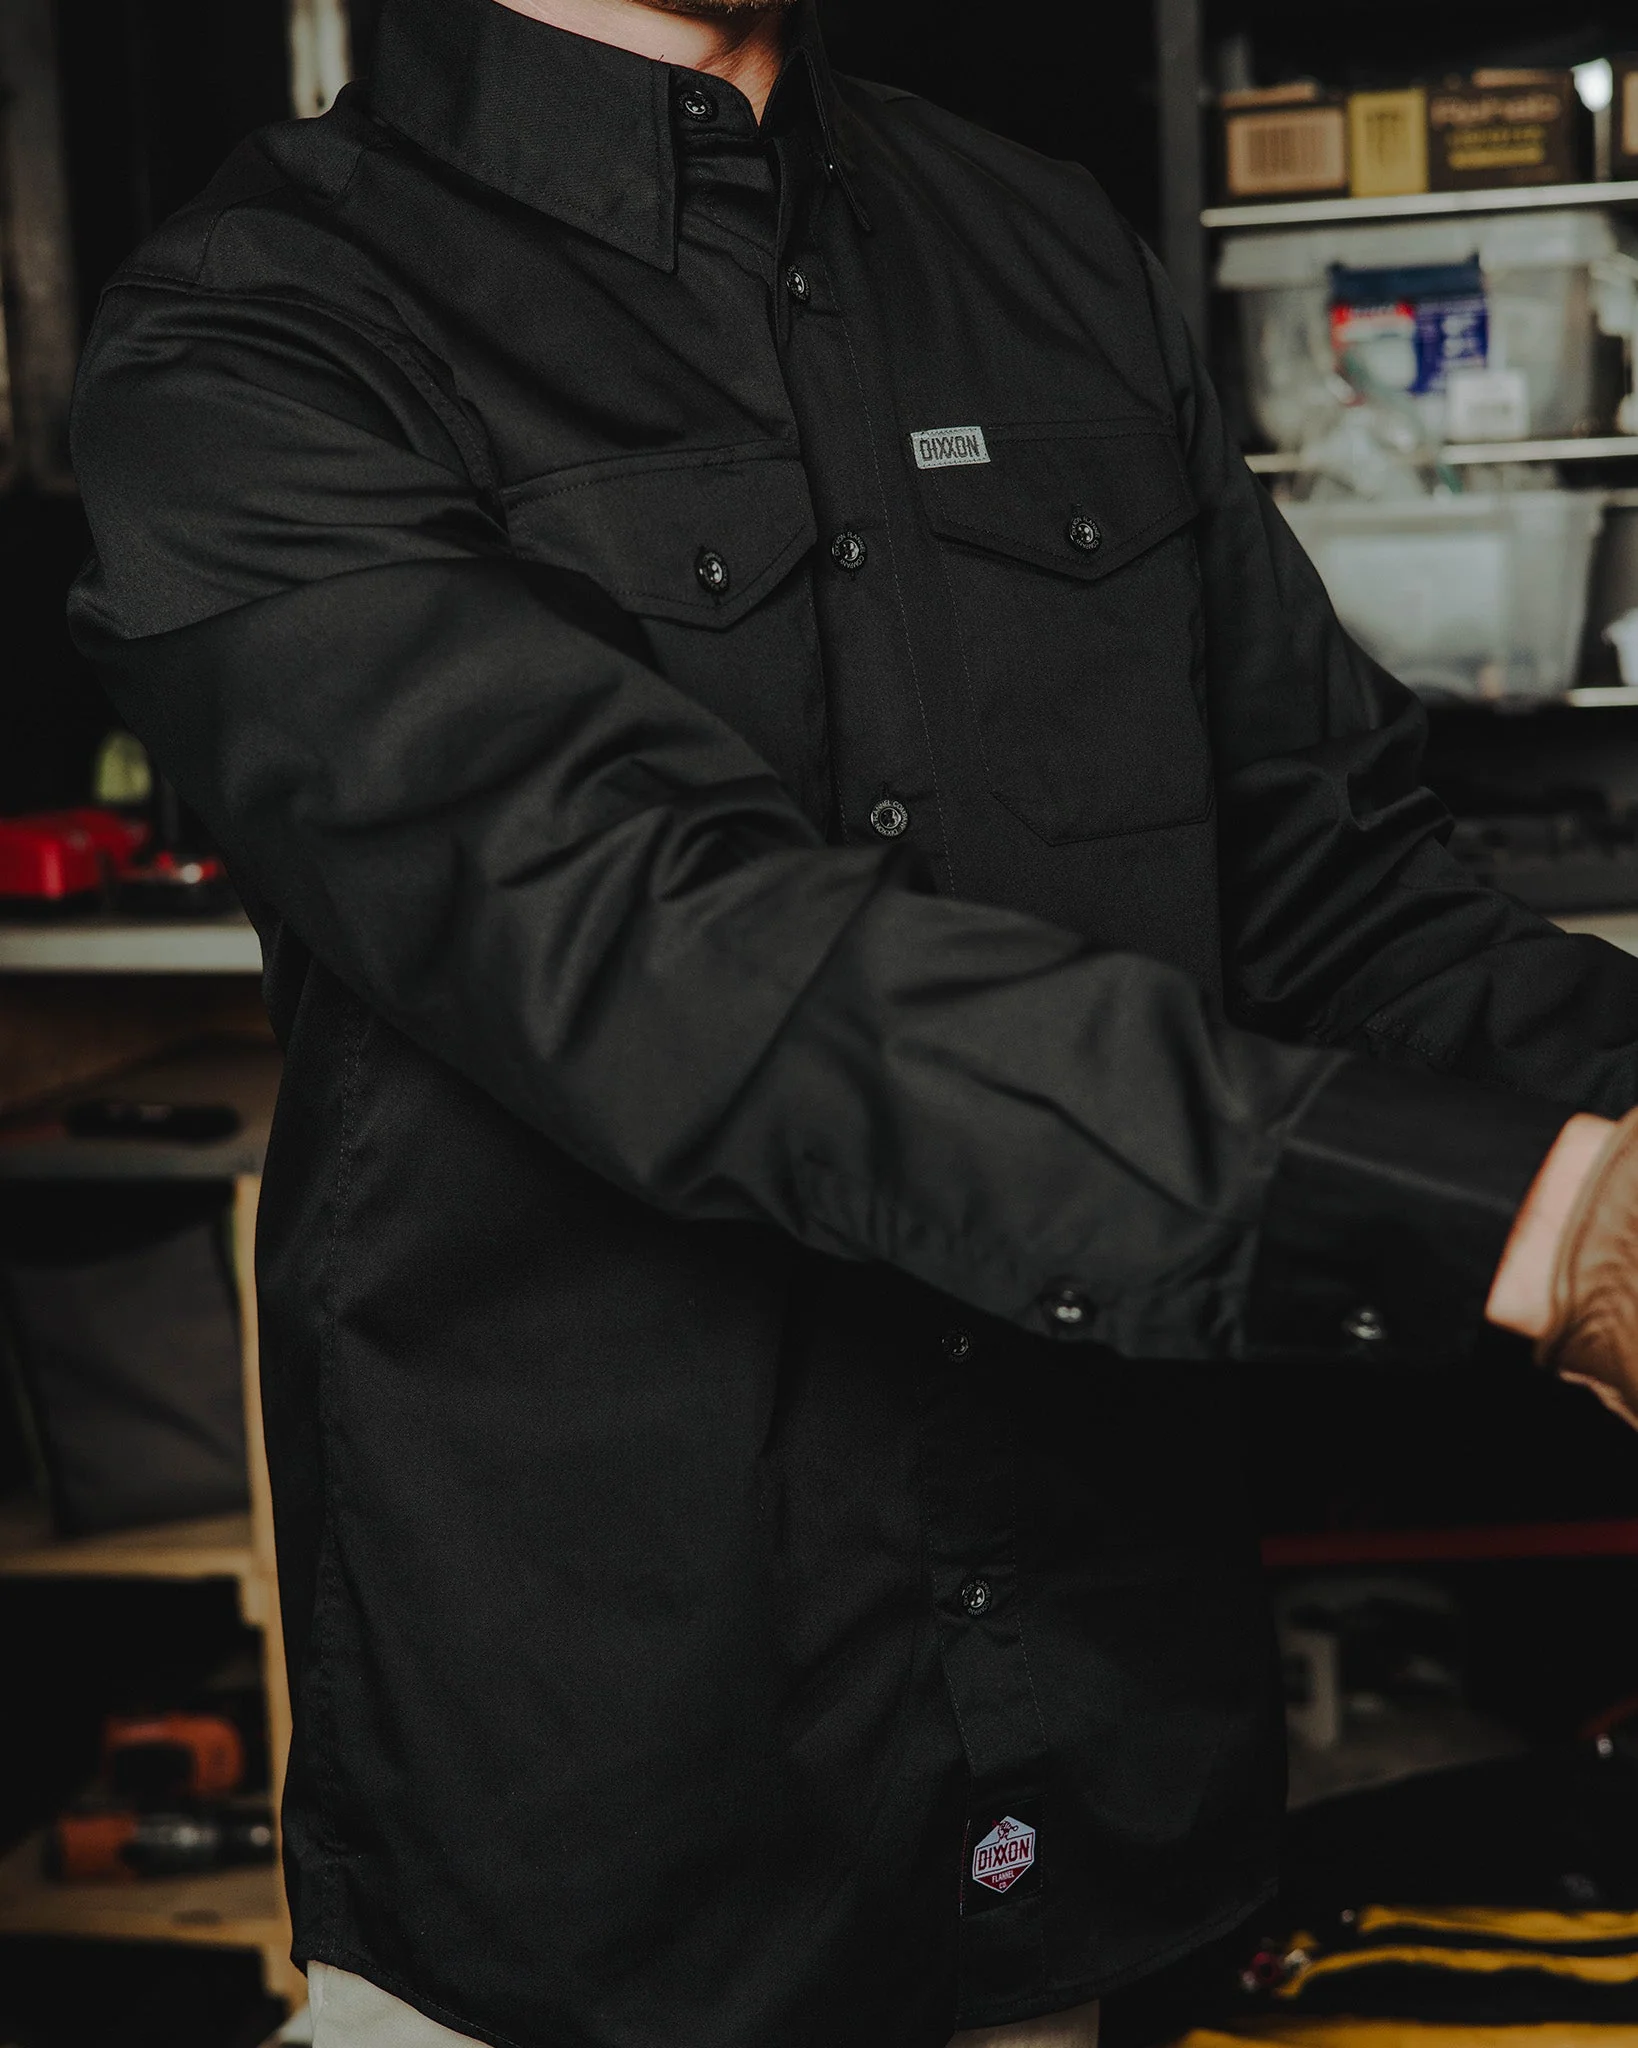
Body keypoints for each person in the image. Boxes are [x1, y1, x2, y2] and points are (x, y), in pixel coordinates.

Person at [62, 0, 1638, 2041]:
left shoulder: (1041, 245)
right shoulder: (251, 333)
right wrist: (1535, 1221)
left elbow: (1332, 892)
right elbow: (675, 954)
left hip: (1094, 1784)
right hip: (624, 1867)